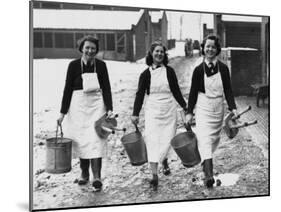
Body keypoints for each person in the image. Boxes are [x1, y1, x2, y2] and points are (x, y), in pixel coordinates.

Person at [57, 35, 113, 192]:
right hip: (77, 108)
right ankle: (84, 173)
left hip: (96, 107)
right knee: (81, 140)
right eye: (87, 47)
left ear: (96, 51)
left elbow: (107, 88)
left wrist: (109, 108)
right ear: (81, 48)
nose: (90, 51)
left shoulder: (101, 65)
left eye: (93, 48)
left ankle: (96, 176)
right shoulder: (73, 65)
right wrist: (62, 112)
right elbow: (67, 89)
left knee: (96, 140)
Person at [131, 42, 188, 190]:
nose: (159, 54)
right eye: (156, 51)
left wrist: (185, 106)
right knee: (152, 140)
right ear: (151, 54)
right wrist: (135, 113)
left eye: (162, 52)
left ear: (165, 54)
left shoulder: (169, 71)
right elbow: (139, 94)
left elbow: (176, 90)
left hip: (169, 109)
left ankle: (164, 160)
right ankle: (154, 174)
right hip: (153, 110)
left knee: (167, 139)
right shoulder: (145, 74)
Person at [185, 34, 238, 188]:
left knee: (213, 140)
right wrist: (189, 112)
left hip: (218, 108)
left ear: (217, 49)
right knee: (204, 139)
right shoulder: (197, 70)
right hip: (203, 107)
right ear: (203, 48)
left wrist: (233, 107)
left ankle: (205, 161)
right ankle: (209, 176)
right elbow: (193, 92)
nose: (210, 49)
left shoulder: (223, 68)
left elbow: (228, 90)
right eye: (207, 46)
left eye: (213, 47)